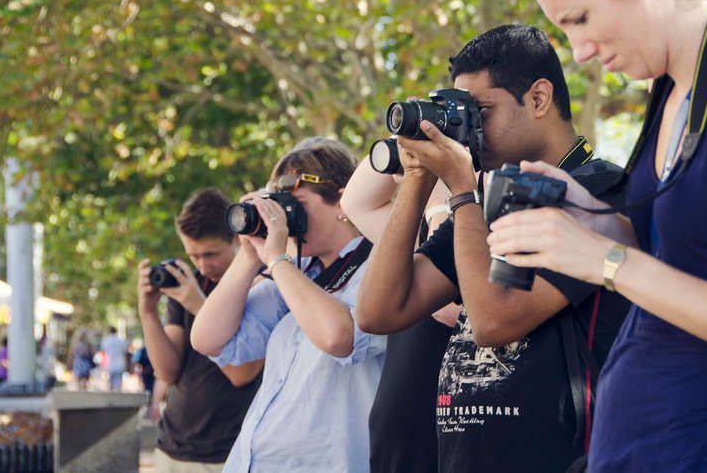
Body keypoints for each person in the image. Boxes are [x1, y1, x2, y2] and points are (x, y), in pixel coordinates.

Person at [485, 0, 707, 471]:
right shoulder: (673, 91)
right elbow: (690, 261)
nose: (577, 51)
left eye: (580, 19)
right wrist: (591, 217)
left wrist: (604, 259)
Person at [357, 24, 631, 473]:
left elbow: (492, 321)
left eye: (480, 111)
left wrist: (462, 191)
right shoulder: (488, 208)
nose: (470, 131)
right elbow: (378, 311)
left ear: (539, 99)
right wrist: (418, 178)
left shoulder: (600, 194)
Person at [191, 137, 386, 473]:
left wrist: (278, 258)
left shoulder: (380, 264)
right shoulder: (296, 274)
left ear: (342, 201)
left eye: (295, 204)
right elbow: (209, 339)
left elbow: (340, 337)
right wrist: (251, 254)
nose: (285, 217)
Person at [341, 157, 460, 473]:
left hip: (445, 439)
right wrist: (412, 132)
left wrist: (438, 206)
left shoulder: (485, 222)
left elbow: (449, 311)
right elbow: (356, 202)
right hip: (395, 446)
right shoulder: (416, 229)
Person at [137, 188, 263, 472]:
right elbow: (168, 372)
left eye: (211, 254)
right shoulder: (188, 285)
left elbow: (242, 374)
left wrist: (199, 305)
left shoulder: (260, 281)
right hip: (172, 448)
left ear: (236, 238)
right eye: (194, 256)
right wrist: (147, 313)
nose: (203, 266)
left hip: (229, 454)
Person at [101, 326, 128, 391]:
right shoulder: (121, 340)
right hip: (120, 364)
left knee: (110, 384)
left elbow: (103, 353)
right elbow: (125, 352)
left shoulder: (105, 341)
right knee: (118, 384)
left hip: (109, 364)